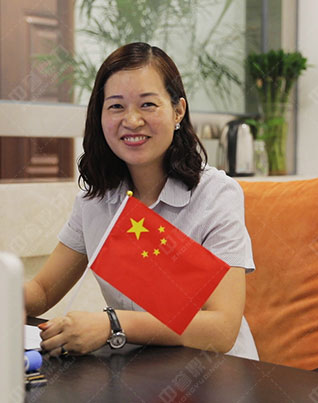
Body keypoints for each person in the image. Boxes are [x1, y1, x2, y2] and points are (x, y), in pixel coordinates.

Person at [24, 42, 258, 360]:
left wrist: (112, 324)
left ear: (178, 111)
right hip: (138, 369)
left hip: (216, 372)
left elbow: (222, 329)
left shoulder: (216, 195)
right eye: (116, 106)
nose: (132, 120)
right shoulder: (96, 200)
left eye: (147, 104)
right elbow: (42, 291)